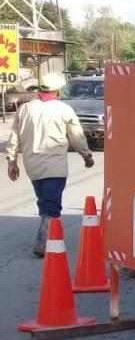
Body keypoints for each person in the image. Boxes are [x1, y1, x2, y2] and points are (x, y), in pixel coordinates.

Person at [6, 73, 94, 257]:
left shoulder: (25, 109)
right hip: (55, 165)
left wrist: (12, 161)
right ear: (57, 90)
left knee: (45, 201)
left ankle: (52, 235)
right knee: (51, 205)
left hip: (33, 166)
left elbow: (14, 136)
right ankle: (44, 242)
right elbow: (76, 136)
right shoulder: (63, 109)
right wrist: (86, 155)